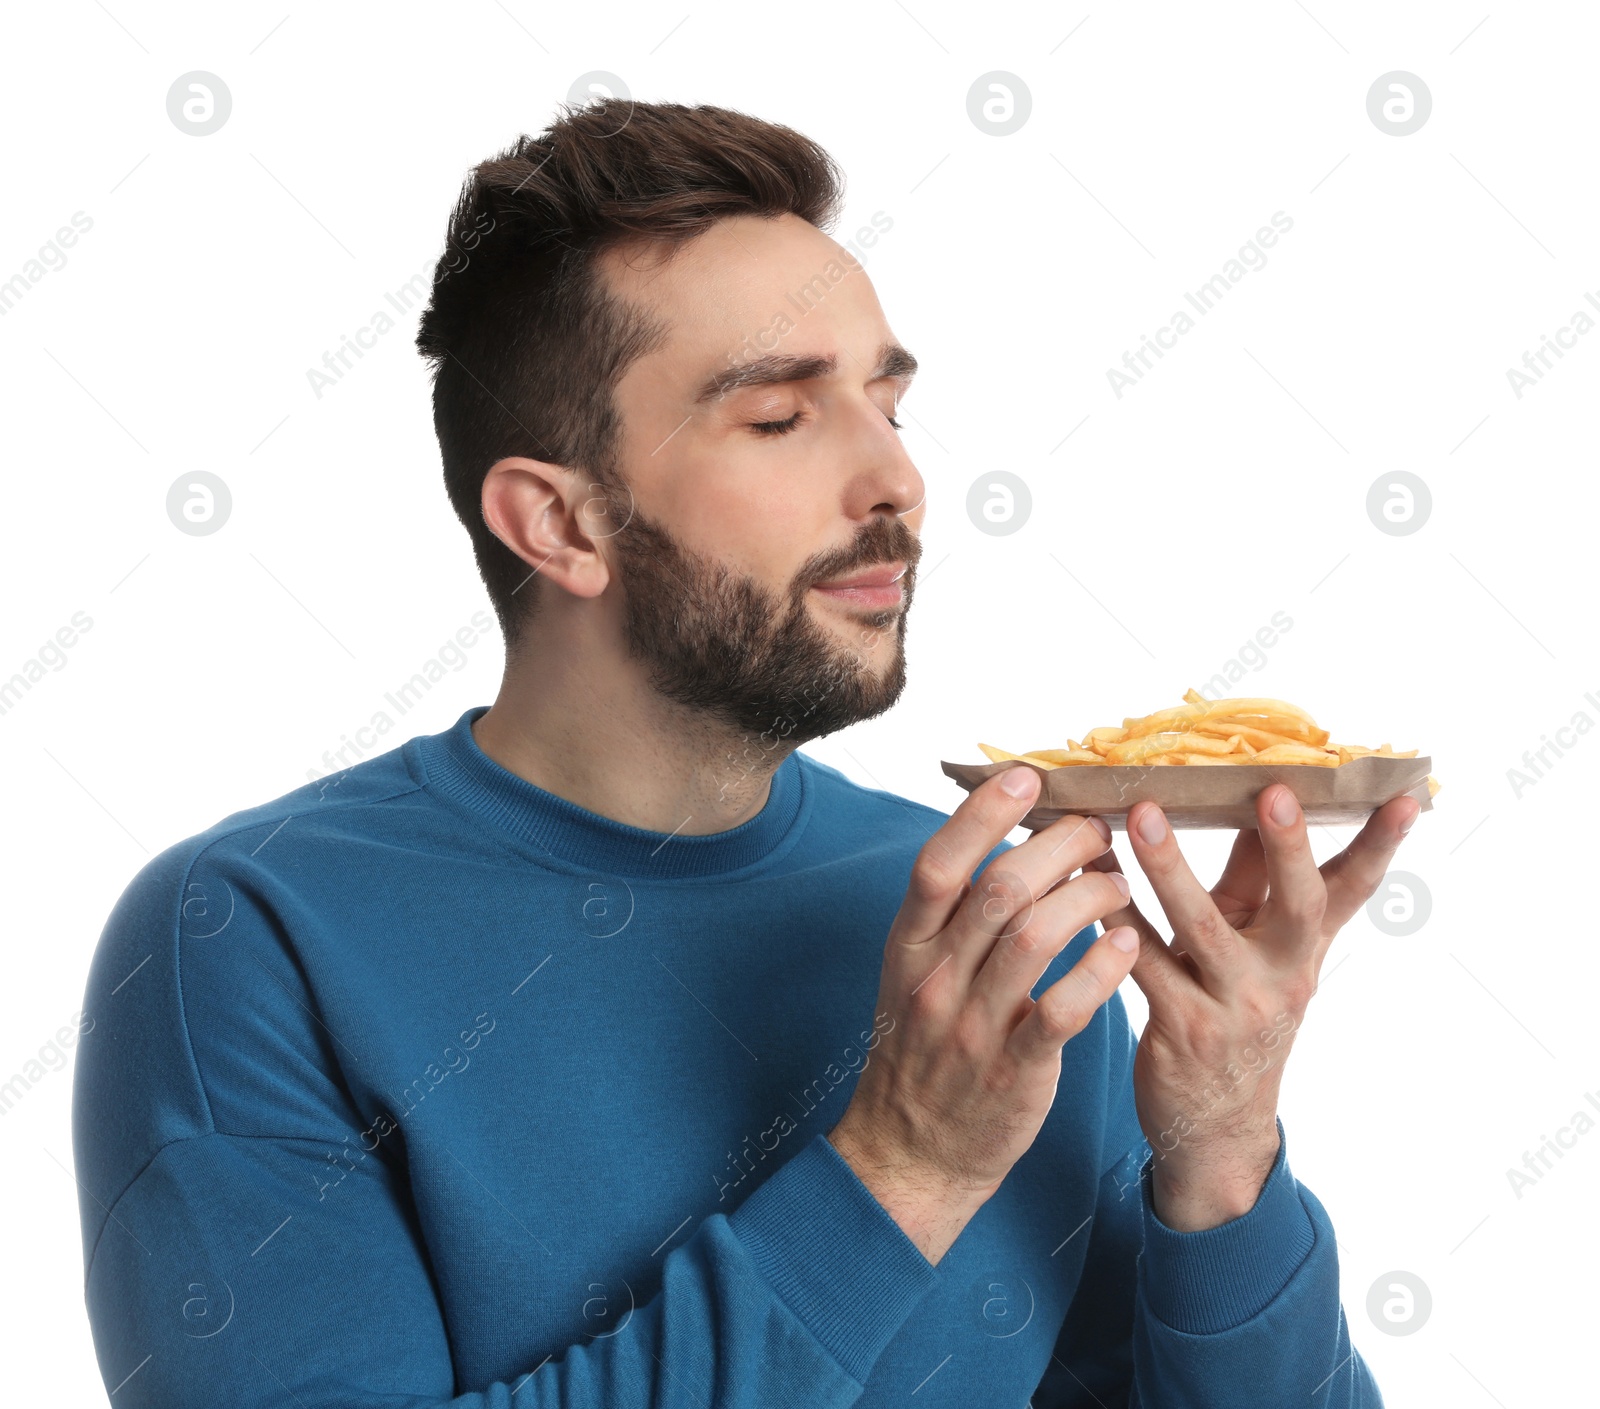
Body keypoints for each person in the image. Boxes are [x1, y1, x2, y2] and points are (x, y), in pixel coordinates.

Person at [73, 99, 1413, 1406]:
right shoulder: (244, 937)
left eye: (887, 403)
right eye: (780, 418)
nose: (896, 480)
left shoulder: (983, 921)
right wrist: (901, 1167)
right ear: (562, 524)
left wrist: (1222, 1159)